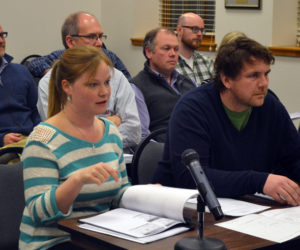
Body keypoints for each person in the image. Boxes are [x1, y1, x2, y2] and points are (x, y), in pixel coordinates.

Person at [152, 36, 300, 206]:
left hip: (245, 207)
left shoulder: (270, 106)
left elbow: (294, 159)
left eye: (266, 74)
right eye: (253, 76)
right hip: (186, 210)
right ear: (226, 80)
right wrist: (259, 181)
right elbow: (192, 178)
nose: (263, 83)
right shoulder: (193, 108)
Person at [19, 45, 131, 250]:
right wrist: (76, 181)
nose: (104, 92)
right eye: (92, 85)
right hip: (54, 241)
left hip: (99, 237)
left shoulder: (110, 132)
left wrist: (149, 196)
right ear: (67, 87)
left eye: (107, 82)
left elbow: (120, 193)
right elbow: (38, 213)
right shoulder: (43, 139)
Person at [37, 12, 141, 151]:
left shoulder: (117, 77)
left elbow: (134, 131)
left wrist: (90, 134)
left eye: (100, 36)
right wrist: (111, 122)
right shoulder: (49, 83)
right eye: (92, 37)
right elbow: (62, 136)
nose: (99, 43)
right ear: (70, 41)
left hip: (115, 156)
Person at [131, 28, 196, 139]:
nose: (173, 54)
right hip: (163, 151)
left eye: (176, 49)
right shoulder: (137, 87)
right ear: (149, 52)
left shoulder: (189, 82)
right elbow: (142, 137)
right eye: (166, 49)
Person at [0, 25, 40, 147]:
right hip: (5, 150)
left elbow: (35, 111)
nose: (1, 41)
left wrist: (41, 135)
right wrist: (1, 139)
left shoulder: (21, 71)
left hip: (30, 141)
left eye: (2, 35)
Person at [176, 12, 214, 85]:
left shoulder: (207, 62)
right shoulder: (170, 64)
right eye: (195, 29)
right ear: (180, 30)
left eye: (202, 30)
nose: (199, 34)